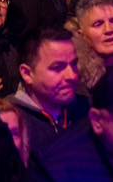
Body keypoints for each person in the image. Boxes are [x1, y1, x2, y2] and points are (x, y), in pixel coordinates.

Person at [10, 26, 89, 154]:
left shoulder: (84, 108)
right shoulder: (12, 121)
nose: (72, 75)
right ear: (27, 74)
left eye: (74, 64)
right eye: (57, 67)